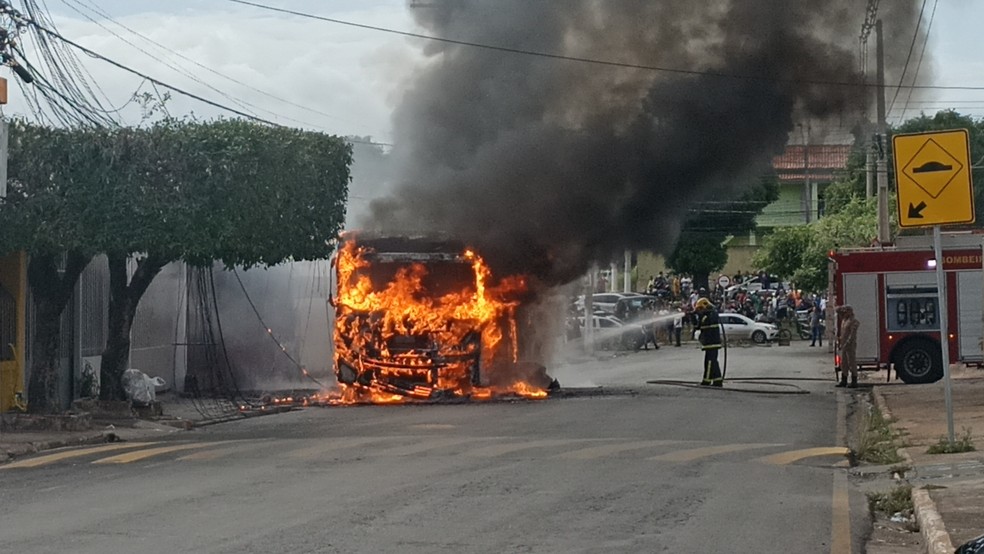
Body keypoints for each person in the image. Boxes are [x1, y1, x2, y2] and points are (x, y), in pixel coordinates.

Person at [695, 297, 723, 387]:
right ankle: (716, 380)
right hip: (709, 343)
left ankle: (707, 381)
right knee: (710, 362)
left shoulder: (710, 315)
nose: (699, 311)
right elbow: (698, 326)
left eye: (700, 309)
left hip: (712, 343)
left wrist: (701, 315)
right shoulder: (707, 315)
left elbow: (705, 322)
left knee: (710, 362)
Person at [836, 305, 860, 388]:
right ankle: (844, 379)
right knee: (844, 363)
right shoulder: (844, 321)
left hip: (850, 345)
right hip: (843, 345)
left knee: (851, 362)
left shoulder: (853, 321)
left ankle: (854, 380)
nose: (844, 313)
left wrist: (848, 342)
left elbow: (852, 335)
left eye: (846, 311)